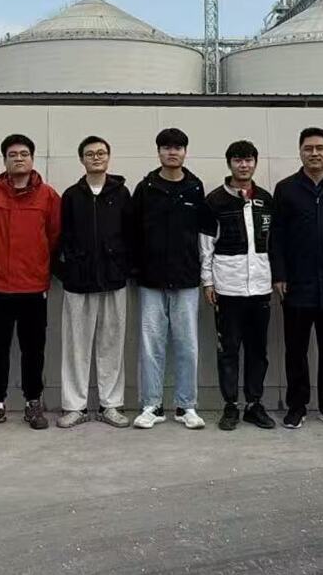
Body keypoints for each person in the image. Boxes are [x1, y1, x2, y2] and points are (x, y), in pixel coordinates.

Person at [0, 133, 62, 432]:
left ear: (32, 159)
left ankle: (33, 402)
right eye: (13, 154)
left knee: (33, 349)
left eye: (24, 154)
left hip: (33, 287)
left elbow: (54, 236)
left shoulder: (48, 196)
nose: (19, 158)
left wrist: (37, 265)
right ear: (5, 160)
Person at [270, 127, 323, 431]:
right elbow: (277, 236)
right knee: (296, 350)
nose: (314, 153)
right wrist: (279, 274)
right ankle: (296, 407)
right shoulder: (286, 189)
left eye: (320, 148)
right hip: (297, 284)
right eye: (308, 148)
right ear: (300, 152)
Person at [130, 127, 213, 430]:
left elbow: (203, 235)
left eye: (177, 147)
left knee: (187, 345)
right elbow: (133, 231)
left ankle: (185, 405)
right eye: (166, 147)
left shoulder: (195, 188)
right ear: (159, 152)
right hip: (151, 280)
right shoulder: (145, 188)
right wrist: (136, 270)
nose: (172, 152)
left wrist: (203, 275)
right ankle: (151, 405)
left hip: (186, 279)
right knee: (151, 345)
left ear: (185, 152)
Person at [54, 135, 135, 429]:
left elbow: (131, 234)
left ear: (108, 157)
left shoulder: (122, 193)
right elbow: (59, 237)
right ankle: (74, 406)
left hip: (114, 280)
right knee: (75, 346)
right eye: (90, 154)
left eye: (101, 153)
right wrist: (66, 272)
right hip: (78, 282)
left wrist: (124, 268)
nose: (96, 157)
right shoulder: (71, 196)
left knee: (111, 344)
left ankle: (110, 405)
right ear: (82, 159)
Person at [200, 139, 276, 431]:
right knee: (228, 350)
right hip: (227, 288)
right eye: (238, 160)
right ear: (229, 163)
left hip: (261, 288)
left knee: (258, 350)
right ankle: (230, 406)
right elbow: (206, 245)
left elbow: (275, 243)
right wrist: (208, 282)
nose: (243, 165)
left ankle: (254, 405)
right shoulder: (215, 200)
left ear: (255, 163)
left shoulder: (266, 199)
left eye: (248, 160)